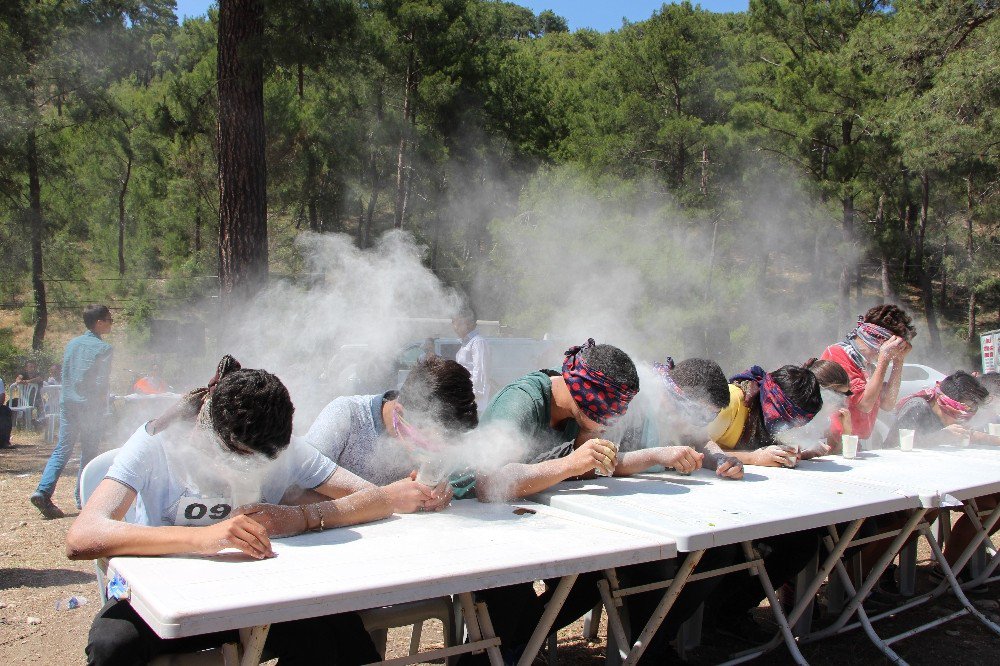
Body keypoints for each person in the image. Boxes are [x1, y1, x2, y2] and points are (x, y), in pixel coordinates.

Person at [67, 355, 440, 666]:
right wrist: (202, 538)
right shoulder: (156, 441)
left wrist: (301, 516)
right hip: (166, 599)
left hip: (255, 595)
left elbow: (372, 498)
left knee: (335, 631)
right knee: (113, 645)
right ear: (208, 430)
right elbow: (83, 536)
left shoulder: (281, 446)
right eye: (237, 459)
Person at [702, 364, 824, 644]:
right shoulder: (733, 400)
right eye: (789, 418)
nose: (791, 426)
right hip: (711, 505)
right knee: (733, 550)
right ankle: (713, 611)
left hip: (747, 502)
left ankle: (732, 609)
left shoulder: (767, 412)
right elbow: (699, 446)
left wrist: (799, 452)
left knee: (804, 543)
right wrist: (754, 458)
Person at [305, 356, 477, 490]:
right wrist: (383, 500)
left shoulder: (444, 442)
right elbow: (292, 494)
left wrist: (440, 492)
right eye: (427, 440)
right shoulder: (345, 416)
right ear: (400, 412)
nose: (434, 450)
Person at [32, 305, 115, 519]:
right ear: (99, 323)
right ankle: (83, 497)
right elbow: (101, 381)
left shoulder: (72, 344)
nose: (111, 323)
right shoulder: (104, 348)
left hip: (68, 403)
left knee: (62, 449)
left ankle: (43, 491)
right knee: (89, 451)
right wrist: (103, 407)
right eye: (109, 319)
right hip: (89, 406)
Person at [820, 305, 916, 445]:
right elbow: (864, 404)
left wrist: (898, 361)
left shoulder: (867, 365)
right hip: (832, 442)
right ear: (882, 341)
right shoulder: (838, 354)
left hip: (852, 441)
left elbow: (888, 404)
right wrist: (884, 358)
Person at [706, 364, 824, 467]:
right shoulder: (731, 401)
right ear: (771, 400)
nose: (789, 428)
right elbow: (696, 448)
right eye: (787, 420)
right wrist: (753, 458)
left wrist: (796, 454)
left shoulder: (769, 416)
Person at [452, 307, 491, 412]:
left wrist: (472, 396)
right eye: (453, 323)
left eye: (458, 323)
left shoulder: (477, 342)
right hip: (465, 396)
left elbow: (480, 371)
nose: (455, 327)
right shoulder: (465, 344)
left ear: (469, 324)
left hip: (474, 400)